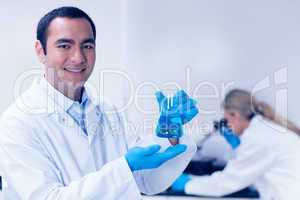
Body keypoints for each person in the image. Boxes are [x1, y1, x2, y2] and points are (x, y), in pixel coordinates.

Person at [0, 7, 197, 199]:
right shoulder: (17, 123)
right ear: (40, 51)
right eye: (64, 46)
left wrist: (167, 138)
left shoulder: (108, 111)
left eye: (87, 46)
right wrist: (124, 167)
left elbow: (145, 181)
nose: (78, 57)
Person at [172, 89, 300, 200]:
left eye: (227, 119)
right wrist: (237, 147)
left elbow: (229, 181)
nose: (227, 124)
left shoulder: (256, 137)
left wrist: (187, 184)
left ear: (235, 115)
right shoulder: (263, 129)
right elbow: (252, 166)